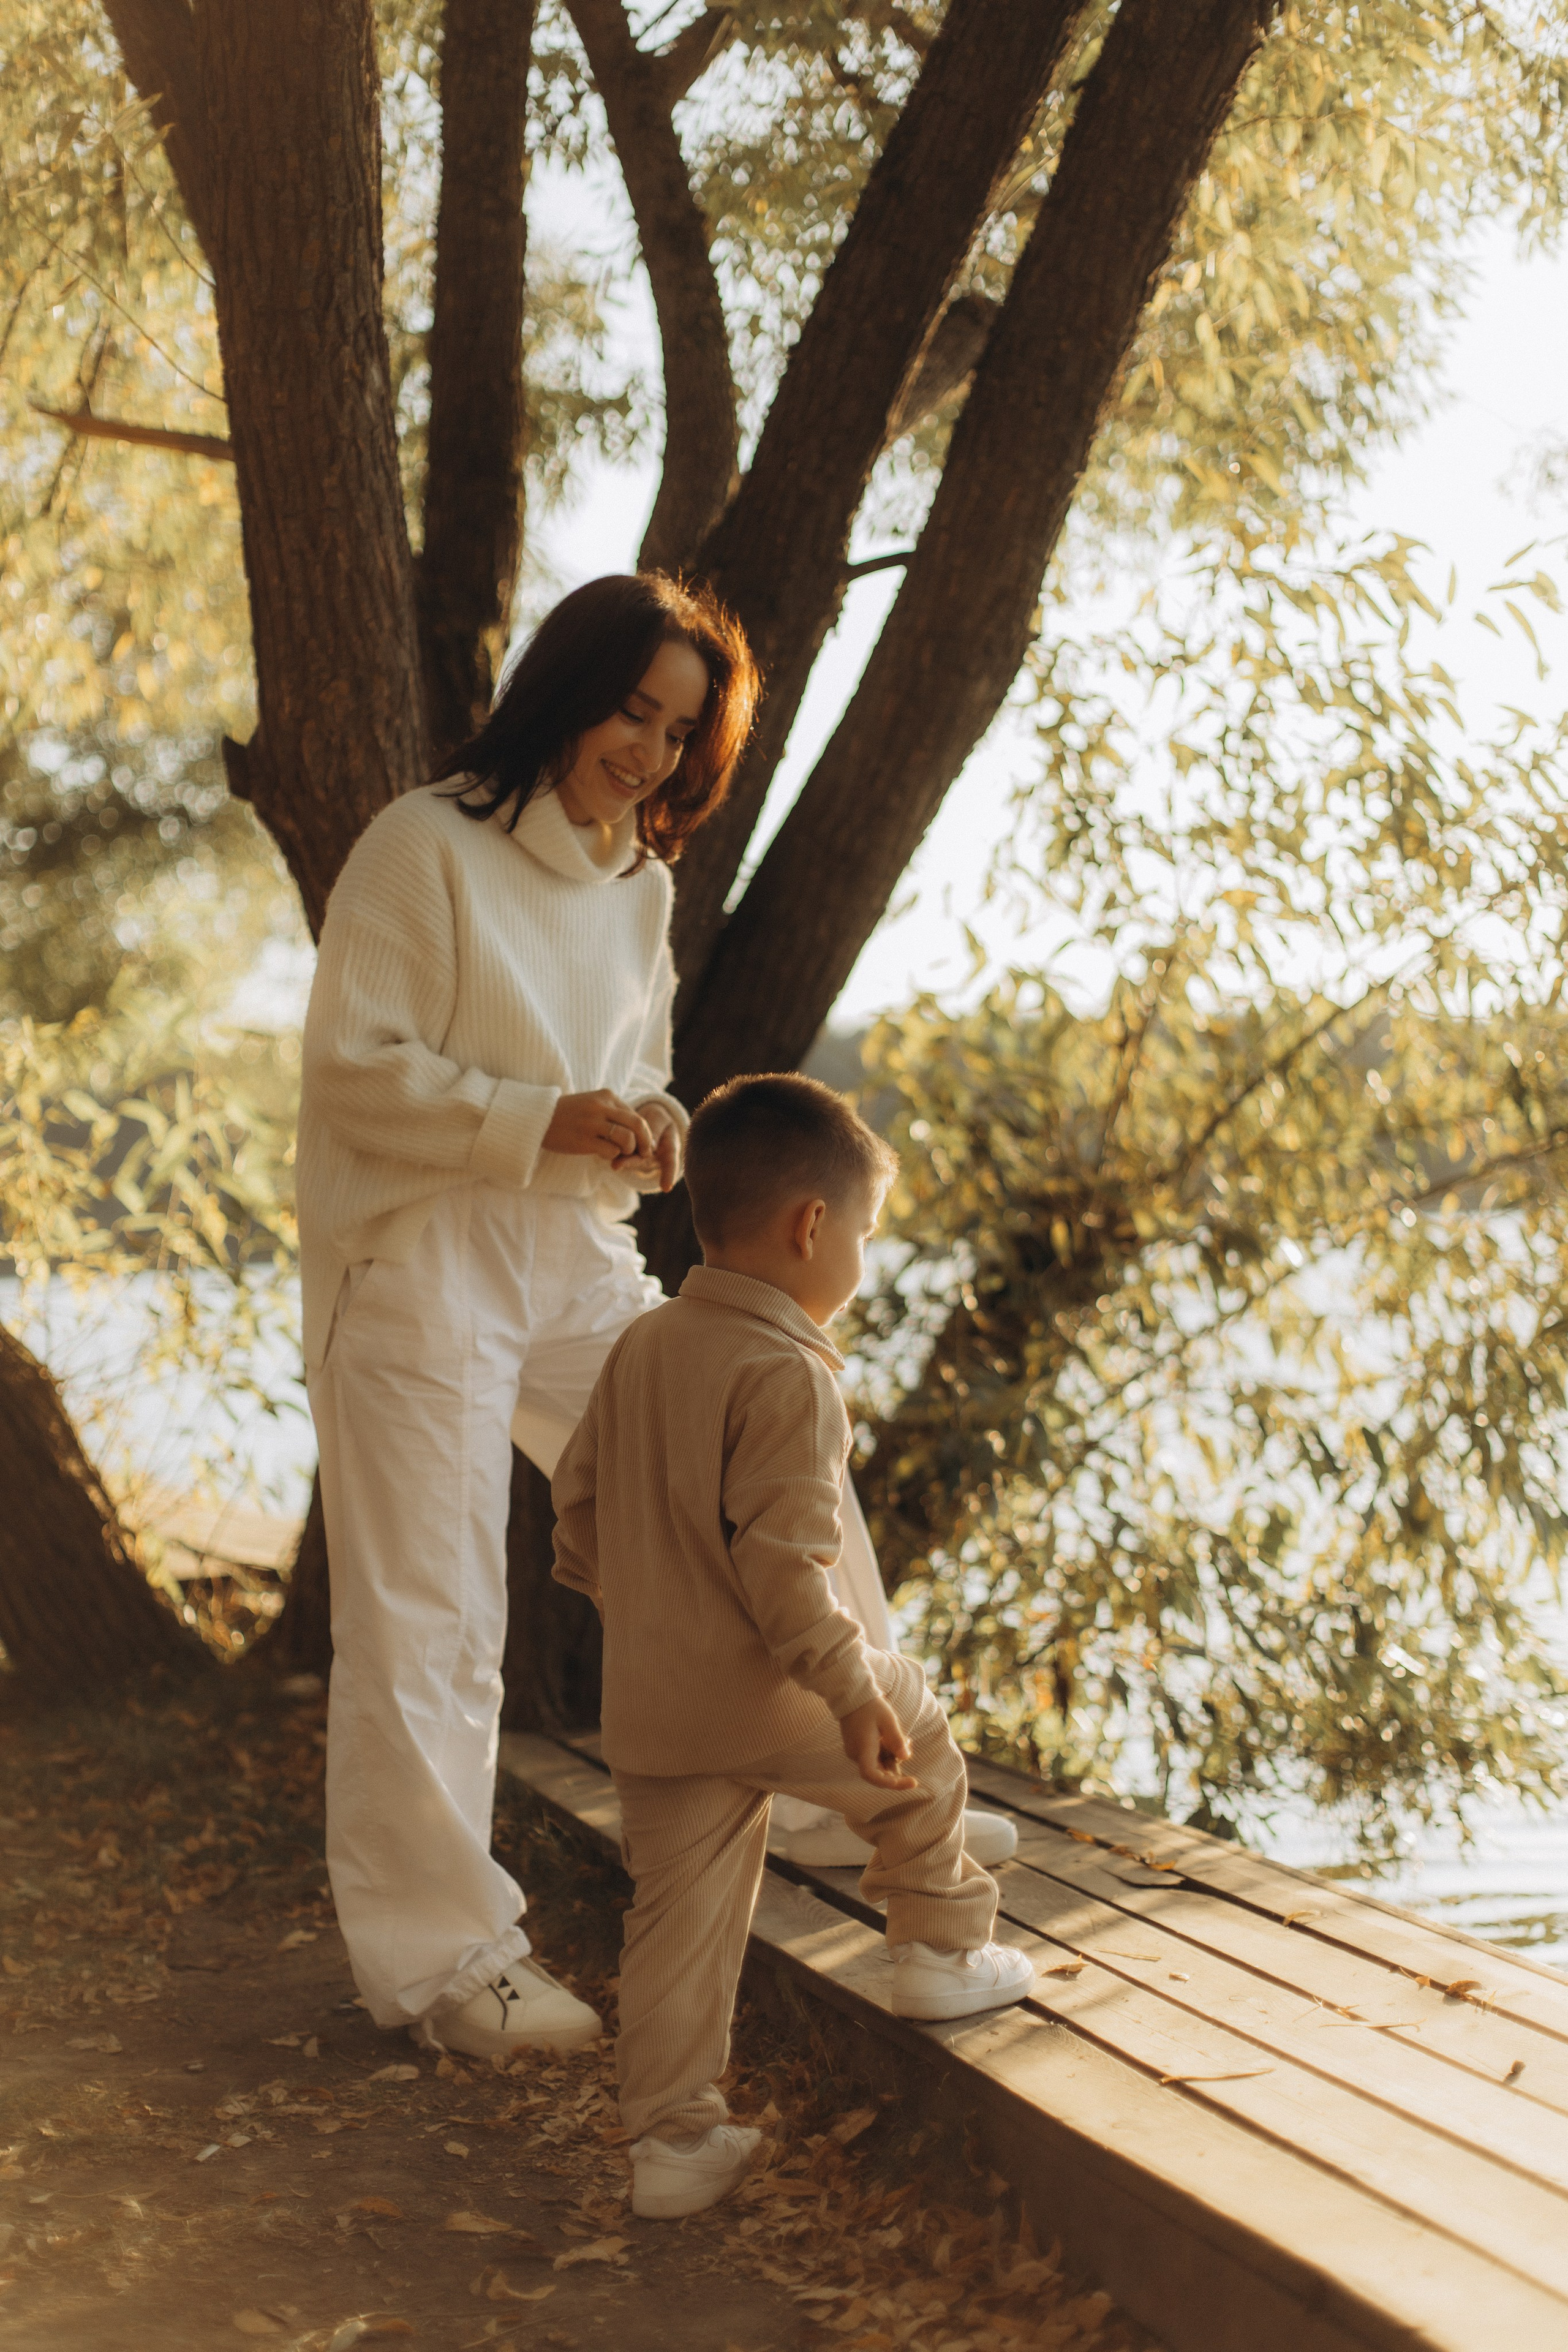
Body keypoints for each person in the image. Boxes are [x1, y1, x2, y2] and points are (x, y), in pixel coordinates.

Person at [297, 573, 756, 2059]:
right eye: (634, 710)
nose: (651, 750)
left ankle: (884, 1766)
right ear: (567, 689)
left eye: (680, 732)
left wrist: (655, 1129)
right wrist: (539, 1118)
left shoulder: (640, 891)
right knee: (431, 1620)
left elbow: (639, 1072)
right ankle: (449, 1969)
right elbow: (352, 1070)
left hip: (568, 1252)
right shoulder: (420, 845)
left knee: (740, 1435)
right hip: (419, 1251)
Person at [551, 1075, 1036, 2221]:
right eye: (863, 1233)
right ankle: (938, 1948)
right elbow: (786, 1570)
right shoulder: (789, 1371)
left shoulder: (644, 1344)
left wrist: (634, 1606)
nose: (861, 1258)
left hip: (654, 1704)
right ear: (812, 1226)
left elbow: (575, 1504)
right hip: (761, 1692)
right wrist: (852, 1689)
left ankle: (672, 2144)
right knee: (912, 1719)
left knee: (676, 1917)